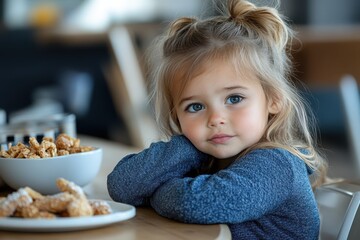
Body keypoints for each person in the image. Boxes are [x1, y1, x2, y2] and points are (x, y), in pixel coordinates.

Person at [107, 0, 328, 239]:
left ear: (273, 99)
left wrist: (155, 190)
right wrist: (188, 146)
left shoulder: (277, 164)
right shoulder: (205, 155)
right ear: (177, 116)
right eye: (195, 106)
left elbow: (191, 203)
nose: (215, 119)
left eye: (234, 99)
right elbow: (122, 186)